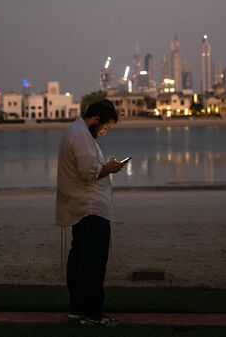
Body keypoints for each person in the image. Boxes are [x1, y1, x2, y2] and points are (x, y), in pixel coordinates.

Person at [56, 99, 126, 326]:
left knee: (80, 261)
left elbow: (88, 171)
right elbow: (88, 173)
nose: (105, 132)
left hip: (82, 207)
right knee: (93, 264)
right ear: (96, 119)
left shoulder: (76, 132)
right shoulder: (81, 136)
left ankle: (77, 309)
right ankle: (93, 314)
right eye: (105, 127)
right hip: (90, 209)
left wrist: (105, 167)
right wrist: (111, 167)